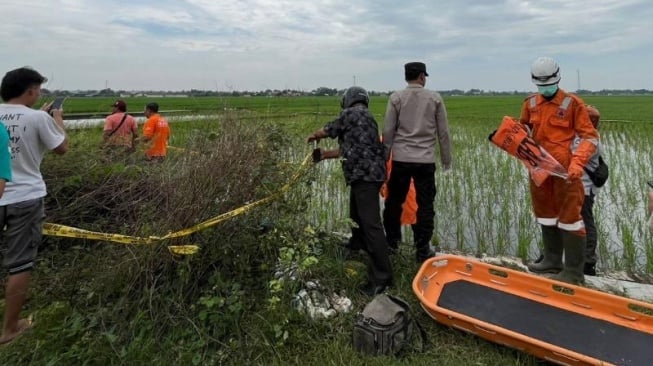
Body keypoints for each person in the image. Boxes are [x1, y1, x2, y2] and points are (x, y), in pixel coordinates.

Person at [0, 67, 68, 344]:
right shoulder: (39, 118)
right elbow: (62, 148)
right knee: (19, 263)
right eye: (38, 89)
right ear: (30, 91)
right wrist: (57, 118)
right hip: (25, 198)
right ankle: (11, 329)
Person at [307, 86, 392, 296]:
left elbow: (329, 129)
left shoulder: (350, 114)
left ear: (348, 100)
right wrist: (325, 155)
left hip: (365, 175)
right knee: (355, 214)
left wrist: (314, 135)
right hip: (368, 174)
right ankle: (357, 244)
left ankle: (382, 277)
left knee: (371, 224)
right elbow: (350, 149)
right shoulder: (367, 118)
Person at [522, 57, 599, 285]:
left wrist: (577, 163)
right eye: (540, 84)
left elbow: (589, 137)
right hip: (540, 172)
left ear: (557, 79)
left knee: (570, 219)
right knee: (545, 214)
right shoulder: (530, 103)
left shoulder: (572, 104)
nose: (545, 88)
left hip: (567, 172)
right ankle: (552, 260)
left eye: (548, 83)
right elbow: (525, 129)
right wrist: (515, 132)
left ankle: (574, 272)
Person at [382, 62, 452, 263]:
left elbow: (388, 131)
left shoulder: (396, 98)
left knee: (393, 203)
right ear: (422, 77)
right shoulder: (435, 98)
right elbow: (443, 133)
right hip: (425, 161)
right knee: (425, 205)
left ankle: (392, 244)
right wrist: (446, 160)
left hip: (401, 159)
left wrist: (386, 155)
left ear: (406, 77)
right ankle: (422, 250)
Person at [577, 105, 603, 276]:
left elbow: (573, 156)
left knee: (586, 223)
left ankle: (588, 261)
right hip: (577, 188)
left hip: (584, 189)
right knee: (564, 222)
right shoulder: (583, 136)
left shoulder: (590, 139)